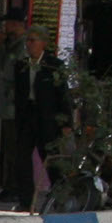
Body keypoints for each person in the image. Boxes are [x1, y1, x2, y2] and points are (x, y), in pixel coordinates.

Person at [11, 27, 69, 210]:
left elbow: (63, 95)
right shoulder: (21, 65)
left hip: (47, 119)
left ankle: (60, 199)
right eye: (27, 41)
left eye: (33, 40)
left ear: (43, 43)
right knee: (22, 158)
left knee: (51, 160)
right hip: (27, 116)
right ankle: (26, 201)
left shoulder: (54, 65)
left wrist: (66, 123)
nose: (29, 45)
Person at [0, 9, 30, 204]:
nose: (6, 27)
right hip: (6, 106)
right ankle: (8, 185)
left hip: (15, 108)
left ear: (17, 25)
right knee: (8, 147)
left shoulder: (23, 47)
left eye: (9, 24)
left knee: (14, 149)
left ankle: (14, 187)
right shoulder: (9, 46)